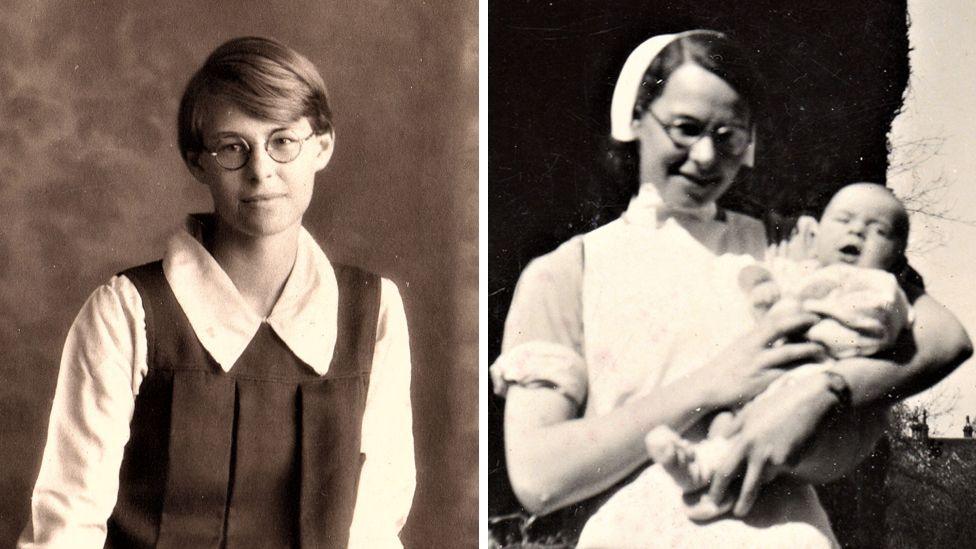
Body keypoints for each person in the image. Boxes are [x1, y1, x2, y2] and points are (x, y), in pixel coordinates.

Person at [490, 30, 971, 548]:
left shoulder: (787, 247)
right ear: (634, 119)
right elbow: (539, 477)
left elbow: (946, 336)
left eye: (728, 136)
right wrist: (715, 383)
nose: (704, 156)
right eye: (685, 129)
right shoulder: (568, 271)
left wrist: (825, 390)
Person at [19, 37, 414, 549]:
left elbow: (375, 526)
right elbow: (67, 527)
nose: (260, 171)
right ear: (197, 162)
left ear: (322, 146)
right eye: (233, 147)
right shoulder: (126, 313)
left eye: (283, 142)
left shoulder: (372, 310)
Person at [646, 182, 914, 520]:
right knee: (724, 419)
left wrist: (804, 320)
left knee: (777, 432)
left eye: (878, 230)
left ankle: (720, 483)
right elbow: (743, 268)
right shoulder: (801, 267)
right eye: (844, 220)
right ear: (816, 233)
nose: (857, 231)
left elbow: (871, 330)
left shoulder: (881, 287)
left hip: (816, 382)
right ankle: (702, 469)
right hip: (773, 374)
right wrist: (761, 284)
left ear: (896, 255)